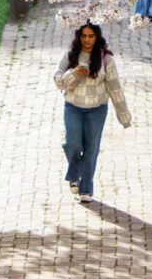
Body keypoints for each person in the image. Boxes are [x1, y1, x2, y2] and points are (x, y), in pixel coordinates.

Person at [55, 21, 131, 199]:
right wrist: (74, 74)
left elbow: (115, 88)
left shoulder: (106, 59)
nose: (87, 40)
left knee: (91, 149)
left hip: (97, 110)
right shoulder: (70, 56)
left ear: (97, 38)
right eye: (83, 36)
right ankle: (74, 176)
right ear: (78, 37)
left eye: (91, 36)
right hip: (73, 107)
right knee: (73, 144)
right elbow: (58, 81)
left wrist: (124, 116)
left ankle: (85, 188)